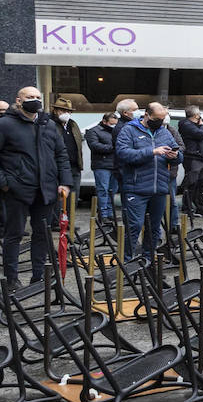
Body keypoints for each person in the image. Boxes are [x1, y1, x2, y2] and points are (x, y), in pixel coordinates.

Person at [0, 88, 72, 287]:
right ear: (18, 100)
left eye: (38, 97)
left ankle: (38, 276)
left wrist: (64, 182)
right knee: (13, 235)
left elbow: (61, 155)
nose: (35, 100)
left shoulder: (48, 124)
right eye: (30, 97)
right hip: (17, 190)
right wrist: (6, 184)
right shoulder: (5, 124)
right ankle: (12, 279)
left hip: (46, 190)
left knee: (42, 234)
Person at [115, 101, 181, 266]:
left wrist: (175, 156)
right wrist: (151, 152)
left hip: (159, 188)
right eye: (157, 118)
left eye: (162, 118)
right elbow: (123, 154)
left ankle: (148, 261)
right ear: (147, 115)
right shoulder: (129, 130)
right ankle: (127, 262)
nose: (160, 121)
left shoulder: (164, 132)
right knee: (134, 226)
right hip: (136, 188)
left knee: (154, 228)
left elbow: (178, 153)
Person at [85, 111, 119, 224]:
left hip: (115, 165)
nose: (114, 125)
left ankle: (110, 214)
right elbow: (95, 146)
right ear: (104, 121)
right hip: (102, 165)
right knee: (103, 190)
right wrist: (112, 148)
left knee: (112, 191)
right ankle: (103, 215)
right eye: (112, 123)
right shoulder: (94, 131)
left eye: (115, 123)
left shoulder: (116, 131)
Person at [178, 105, 203, 216]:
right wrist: (202, 126)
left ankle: (200, 208)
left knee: (201, 184)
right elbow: (201, 134)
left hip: (202, 158)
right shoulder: (186, 124)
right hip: (193, 158)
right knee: (191, 183)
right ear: (196, 115)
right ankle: (187, 208)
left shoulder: (196, 125)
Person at [51, 98, 83, 191]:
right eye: (63, 110)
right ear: (55, 110)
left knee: (73, 198)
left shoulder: (73, 124)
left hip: (74, 167)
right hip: (57, 168)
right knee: (60, 199)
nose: (66, 113)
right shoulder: (50, 124)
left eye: (69, 111)